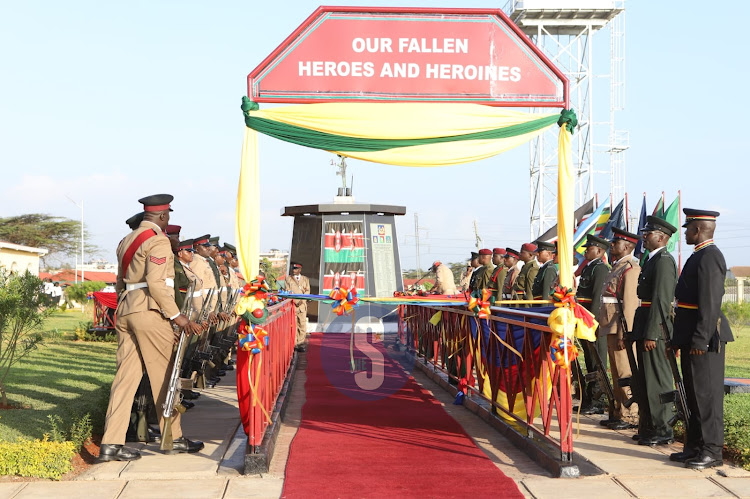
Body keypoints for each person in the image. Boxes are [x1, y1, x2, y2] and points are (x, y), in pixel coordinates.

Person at [98, 194, 204, 463]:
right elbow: (157, 284)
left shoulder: (126, 241)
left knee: (125, 379)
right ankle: (173, 439)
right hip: (149, 312)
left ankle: (111, 443)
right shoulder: (158, 240)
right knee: (165, 377)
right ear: (163, 216)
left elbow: (121, 282)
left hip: (126, 310)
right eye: (168, 215)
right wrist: (178, 317)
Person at [670, 209, 734, 468]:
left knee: (707, 397)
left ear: (697, 230)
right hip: (690, 336)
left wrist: (700, 339)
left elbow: (709, 304)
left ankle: (712, 451)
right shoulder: (699, 255)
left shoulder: (710, 257)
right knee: (694, 395)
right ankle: (695, 445)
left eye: (687, 228)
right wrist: (678, 339)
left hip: (705, 340)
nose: (684, 232)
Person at [631, 215, 678, 447]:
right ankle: (649, 426)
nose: (644, 237)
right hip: (646, 322)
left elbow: (661, 300)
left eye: (647, 234)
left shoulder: (664, 261)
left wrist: (652, 333)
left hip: (656, 328)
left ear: (661, 238)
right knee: (646, 379)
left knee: (658, 379)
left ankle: (663, 429)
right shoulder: (652, 259)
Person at [597, 228, 641, 430]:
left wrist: (626, 333)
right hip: (609, 325)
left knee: (625, 372)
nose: (612, 246)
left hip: (619, 328)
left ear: (627, 247)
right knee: (615, 372)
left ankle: (631, 414)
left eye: (615, 243)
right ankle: (618, 411)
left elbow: (630, 305)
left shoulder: (630, 268)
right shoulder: (616, 266)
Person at [576, 234, 611, 414]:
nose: (586, 251)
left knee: (597, 361)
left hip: (592, 321)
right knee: (589, 361)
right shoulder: (588, 268)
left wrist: (594, 322)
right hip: (584, 320)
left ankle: (598, 401)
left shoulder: (600, 269)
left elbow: (597, 298)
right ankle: (590, 398)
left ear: (599, 251)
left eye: (589, 248)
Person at [285, 262, 310, 352]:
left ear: (300, 269)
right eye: (293, 268)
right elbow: (288, 291)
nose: (294, 270)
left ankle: (300, 343)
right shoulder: (288, 279)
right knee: (294, 325)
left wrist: (302, 301)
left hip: (302, 305)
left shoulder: (305, 279)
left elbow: (307, 291)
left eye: (296, 268)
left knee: (302, 325)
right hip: (294, 305)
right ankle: (294, 343)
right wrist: (296, 301)